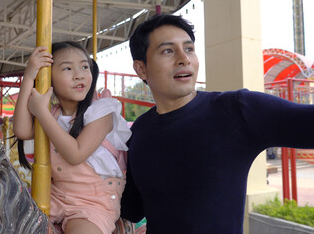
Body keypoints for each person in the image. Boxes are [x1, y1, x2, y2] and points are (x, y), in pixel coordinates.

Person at [120, 14, 314, 234]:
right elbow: (132, 208)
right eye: (168, 51)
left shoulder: (236, 110)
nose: (184, 58)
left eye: (189, 49)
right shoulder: (139, 132)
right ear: (141, 69)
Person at [13, 41, 131, 234]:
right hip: (56, 196)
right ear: (48, 79)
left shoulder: (101, 111)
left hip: (93, 203)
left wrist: (41, 112)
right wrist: (29, 76)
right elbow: (22, 130)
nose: (79, 74)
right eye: (67, 68)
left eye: (85, 66)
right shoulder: (53, 114)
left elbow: (76, 154)